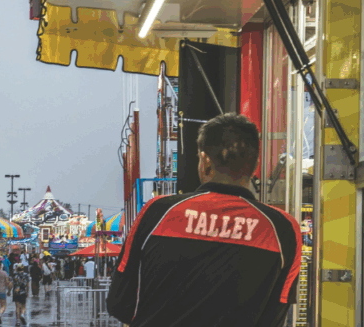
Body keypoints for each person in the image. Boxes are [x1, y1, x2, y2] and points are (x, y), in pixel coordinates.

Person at [107, 113, 303, 326]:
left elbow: (120, 304)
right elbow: (275, 316)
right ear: (254, 165)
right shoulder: (283, 230)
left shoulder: (159, 212)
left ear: (205, 162)